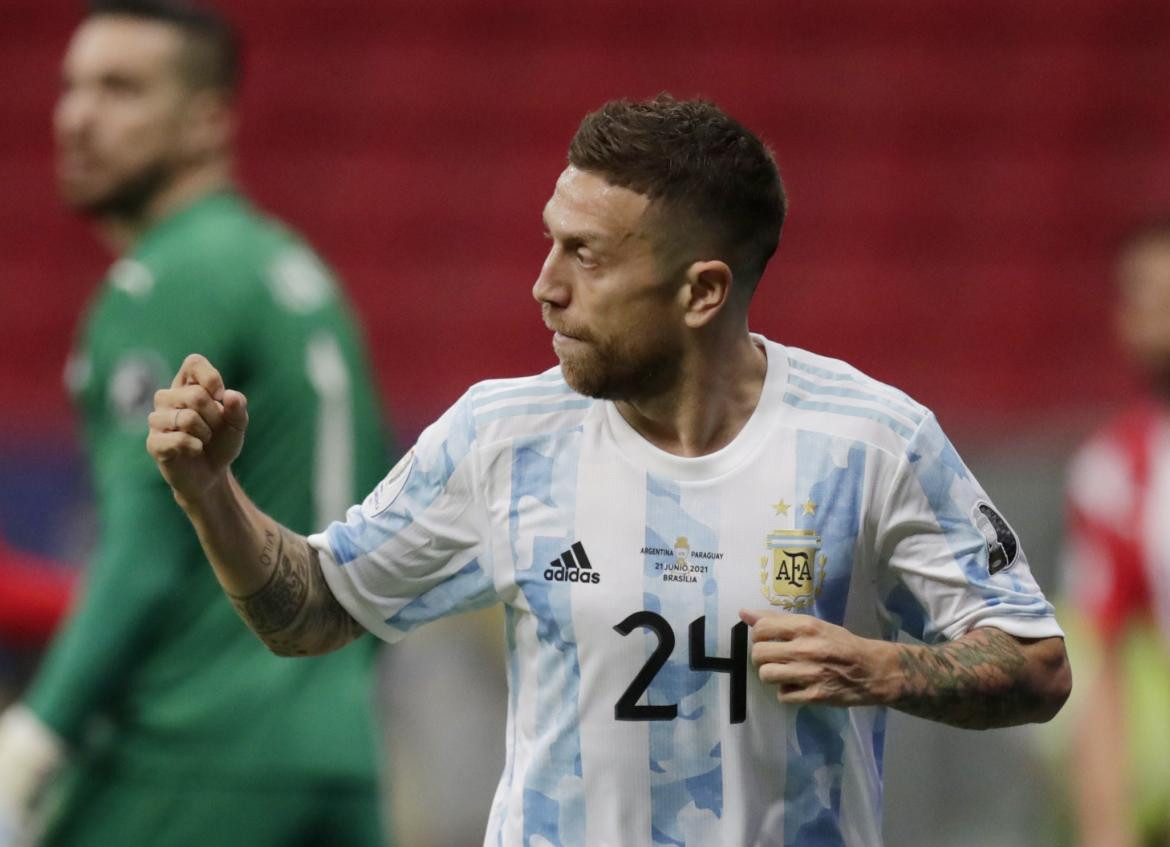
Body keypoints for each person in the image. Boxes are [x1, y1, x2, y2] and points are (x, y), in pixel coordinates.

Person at [146, 94, 1071, 846]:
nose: (545, 283)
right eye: (551, 241)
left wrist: (885, 668)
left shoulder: (873, 443)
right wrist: (210, 493)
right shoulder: (501, 437)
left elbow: (1036, 666)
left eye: (585, 255)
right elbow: (312, 609)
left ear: (702, 290)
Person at [0, 2, 392, 845]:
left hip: (191, 752)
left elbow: (142, 554)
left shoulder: (170, 280)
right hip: (339, 748)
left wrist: (37, 736)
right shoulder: (292, 271)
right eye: (72, 86)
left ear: (209, 118)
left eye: (121, 89)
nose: (78, 116)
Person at [1063, 215, 1170, 847]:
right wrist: (1107, 827)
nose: (1155, 310)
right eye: (1139, 294)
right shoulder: (1115, 471)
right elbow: (1097, 667)